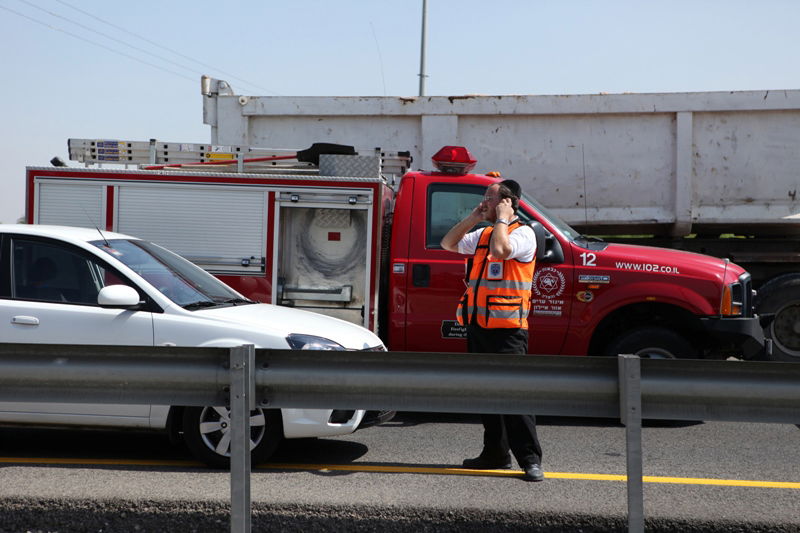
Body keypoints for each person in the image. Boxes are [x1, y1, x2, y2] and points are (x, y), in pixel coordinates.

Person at [440, 179, 544, 482]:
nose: (484, 202)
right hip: (479, 327)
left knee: (515, 396)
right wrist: (475, 216)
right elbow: (448, 243)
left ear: (508, 202)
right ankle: (495, 453)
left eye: (490, 198)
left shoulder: (523, 234)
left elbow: (501, 251)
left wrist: (500, 217)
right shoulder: (483, 233)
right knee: (486, 394)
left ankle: (530, 459)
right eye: (485, 198)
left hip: (508, 331)